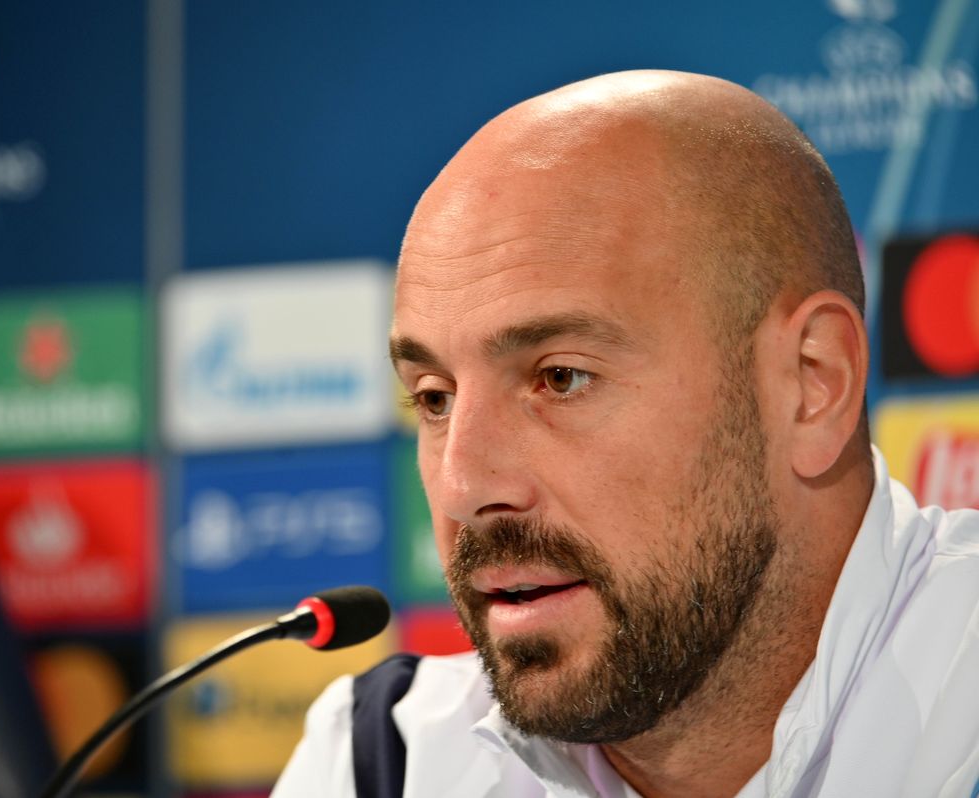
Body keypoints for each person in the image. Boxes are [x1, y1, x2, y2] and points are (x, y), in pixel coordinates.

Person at [271, 70, 979, 797]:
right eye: (434, 398)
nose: (463, 489)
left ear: (812, 383)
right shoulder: (384, 762)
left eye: (561, 378)